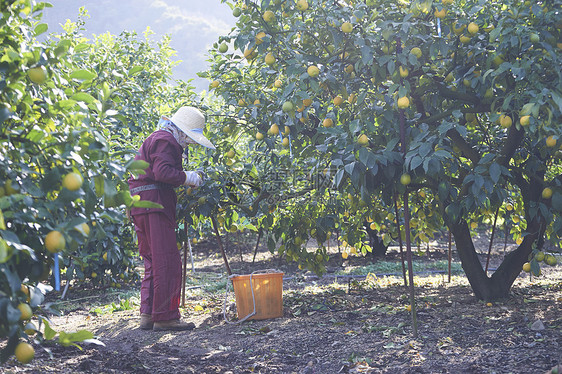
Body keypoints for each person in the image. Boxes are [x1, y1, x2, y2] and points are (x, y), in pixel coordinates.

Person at [128, 106, 215, 331]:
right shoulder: (166, 140)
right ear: (183, 132)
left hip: (142, 204)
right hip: (154, 204)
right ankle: (165, 317)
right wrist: (188, 177)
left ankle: (148, 314)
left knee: (153, 261)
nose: (190, 143)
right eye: (190, 139)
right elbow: (162, 172)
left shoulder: (158, 137)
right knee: (167, 260)